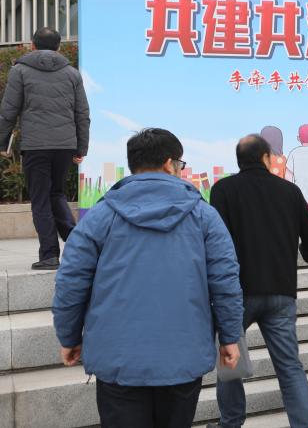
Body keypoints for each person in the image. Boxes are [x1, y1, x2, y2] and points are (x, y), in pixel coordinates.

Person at [52, 128, 242, 428]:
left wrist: (69, 336)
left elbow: (71, 280)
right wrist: (230, 336)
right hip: (183, 358)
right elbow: (226, 281)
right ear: (169, 164)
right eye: (180, 164)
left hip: (118, 360)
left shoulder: (100, 216)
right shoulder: (204, 216)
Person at [211, 134, 308, 428]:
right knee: (289, 367)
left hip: (236, 293)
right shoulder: (289, 191)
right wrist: (305, 253)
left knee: (230, 358)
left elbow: (216, 242)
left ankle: (231, 423)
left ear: (239, 160)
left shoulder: (223, 190)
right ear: (266, 158)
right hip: (281, 291)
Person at [0, 27, 90, 270]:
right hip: (65, 145)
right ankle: (81, 246)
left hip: (36, 145)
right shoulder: (72, 73)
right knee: (56, 194)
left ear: (32, 45)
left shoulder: (20, 70)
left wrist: (3, 142)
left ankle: (50, 255)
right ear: (59, 47)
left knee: (41, 199)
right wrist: (81, 148)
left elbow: (8, 110)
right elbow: (82, 113)